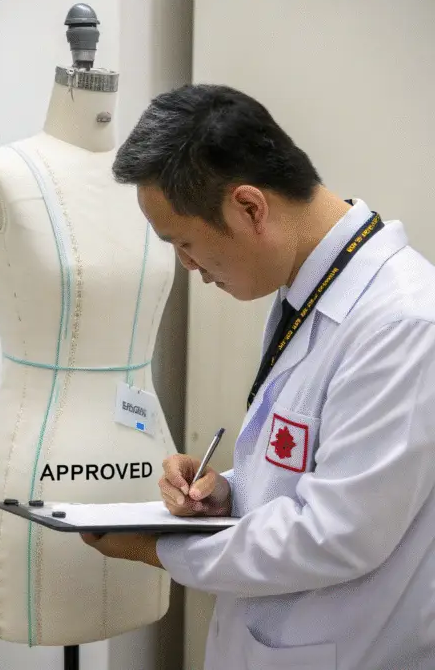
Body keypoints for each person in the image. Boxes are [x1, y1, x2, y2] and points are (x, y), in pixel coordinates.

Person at [79, 83, 435, 669]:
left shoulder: (400, 321)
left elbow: (336, 533)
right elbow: (317, 469)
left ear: (249, 207)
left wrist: (156, 550)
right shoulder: (308, 293)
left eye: (185, 243)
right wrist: (227, 490)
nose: (189, 267)